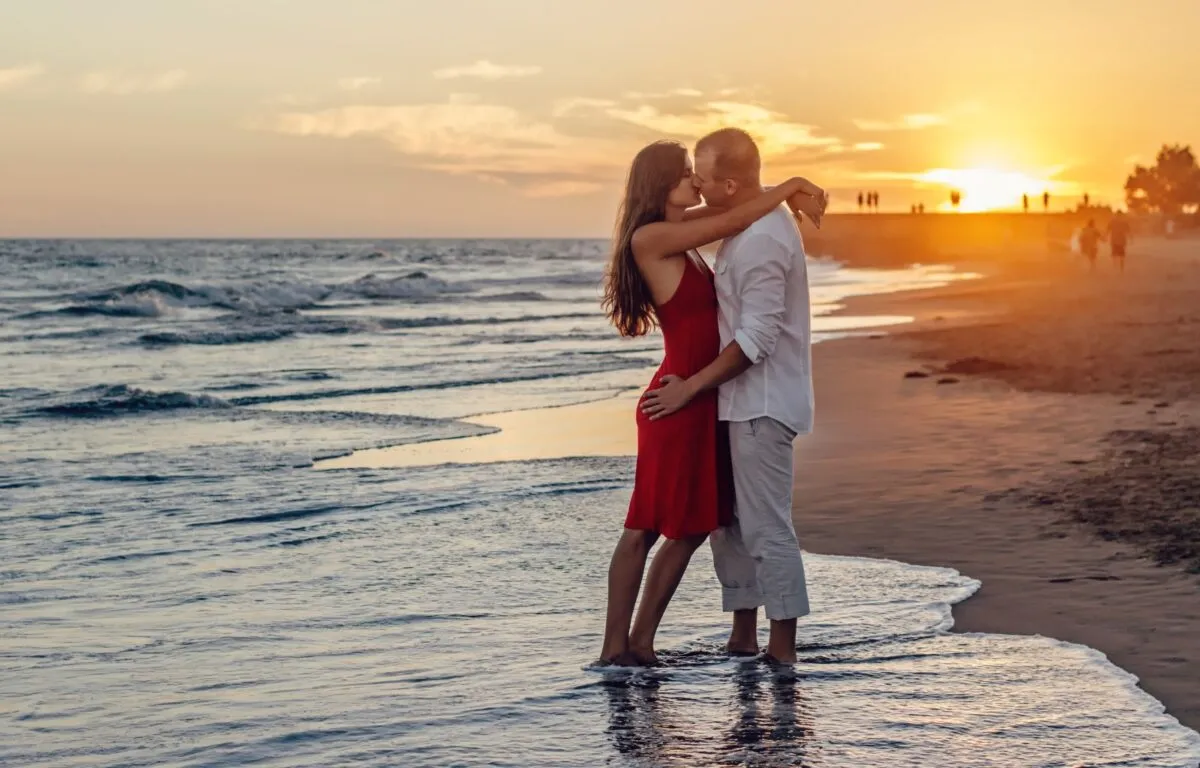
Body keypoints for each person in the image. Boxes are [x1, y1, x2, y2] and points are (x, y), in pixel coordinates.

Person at [598, 139, 825, 666]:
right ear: (662, 186)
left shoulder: (682, 232)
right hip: (680, 397)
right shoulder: (655, 237)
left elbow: (733, 208)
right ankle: (618, 649)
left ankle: (639, 645)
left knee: (696, 525)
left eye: (697, 175)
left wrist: (776, 191)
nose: (694, 184)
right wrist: (789, 186)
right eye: (684, 176)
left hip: (702, 395)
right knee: (649, 525)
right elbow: (731, 214)